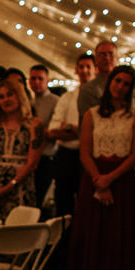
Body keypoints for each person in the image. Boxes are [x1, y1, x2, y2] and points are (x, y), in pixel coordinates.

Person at [66, 66, 135, 270]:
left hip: (122, 180)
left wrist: (110, 179)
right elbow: (84, 152)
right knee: (92, 237)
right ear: (110, 82)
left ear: (131, 88)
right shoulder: (91, 114)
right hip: (94, 175)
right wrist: (99, 180)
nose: (120, 86)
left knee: (117, 239)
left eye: (126, 83)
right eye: (117, 81)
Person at [0, 73, 43, 219]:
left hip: (20, 185)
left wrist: (9, 186)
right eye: (1, 97)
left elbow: (31, 162)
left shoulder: (34, 124)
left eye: (10, 95)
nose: (5, 100)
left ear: (19, 95)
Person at [46, 50, 90, 224]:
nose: (85, 70)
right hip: (66, 155)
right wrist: (80, 131)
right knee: (63, 203)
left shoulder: (100, 97)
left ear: (94, 70)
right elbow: (52, 131)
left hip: (88, 157)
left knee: (86, 203)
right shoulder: (67, 97)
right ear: (76, 70)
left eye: (88, 67)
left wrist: (69, 128)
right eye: (81, 67)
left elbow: (97, 133)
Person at [28, 64, 60, 212]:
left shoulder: (56, 101)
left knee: (42, 202)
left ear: (47, 80)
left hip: (47, 157)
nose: (36, 82)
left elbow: (55, 132)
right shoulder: (29, 102)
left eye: (40, 79)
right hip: (29, 158)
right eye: (33, 79)